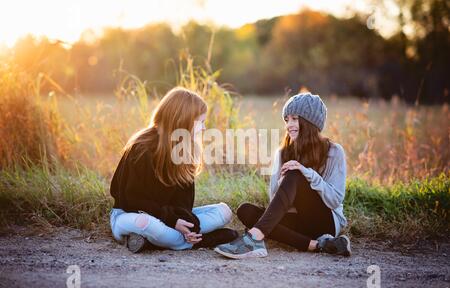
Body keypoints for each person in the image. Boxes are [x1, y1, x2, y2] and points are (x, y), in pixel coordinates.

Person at [215, 92, 351, 259]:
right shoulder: (282, 153)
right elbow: (275, 203)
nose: (288, 125)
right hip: (296, 221)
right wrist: (282, 182)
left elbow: (335, 199)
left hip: (324, 222)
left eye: (294, 118)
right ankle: (319, 245)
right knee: (246, 211)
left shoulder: (333, 151)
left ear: (310, 122)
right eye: (286, 120)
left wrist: (306, 174)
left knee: (295, 174)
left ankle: (254, 239)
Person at [109, 87, 238, 253]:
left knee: (223, 212)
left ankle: (153, 242)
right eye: (201, 122)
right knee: (147, 224)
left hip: (168, 219)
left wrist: (187, 225)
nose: (204, 128)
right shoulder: (141, 148)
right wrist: (173, 221)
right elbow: (130, 200)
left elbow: (184, 204)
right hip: (129, 216)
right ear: (183, 121)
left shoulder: (185, 151)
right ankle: (201, 241)